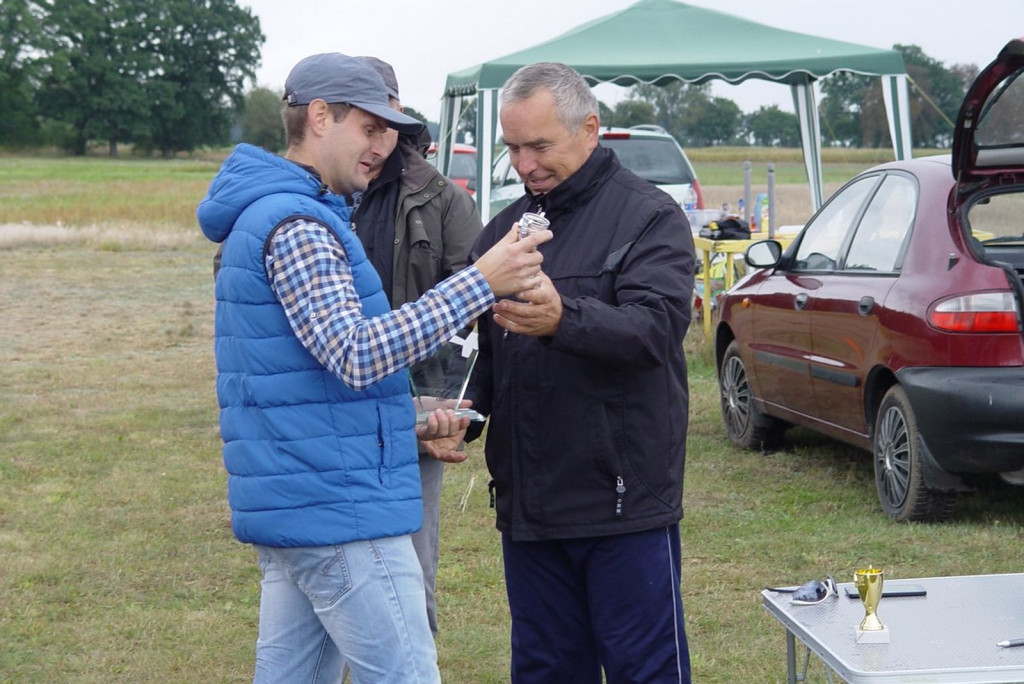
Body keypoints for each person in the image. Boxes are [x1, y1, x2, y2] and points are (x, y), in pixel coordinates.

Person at [196, 52, 550, 684]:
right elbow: (356, 355)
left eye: (391, 131)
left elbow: (300, 384)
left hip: (305, 506)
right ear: (320, 116)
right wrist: (481, 281)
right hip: (341, 516)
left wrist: (405, 419)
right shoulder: (299, 225)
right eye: (370, 128)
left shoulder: (281, 215)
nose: (383, 146)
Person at [465, 62, 695, 683]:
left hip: (622, 505)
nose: (524, 164)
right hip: (530, 509)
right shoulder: (501, 234)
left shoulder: (650, 219)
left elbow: (656, 329)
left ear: (589, 129)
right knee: (544, 671)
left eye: (539, 145)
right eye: (513, 147)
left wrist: (566, 319)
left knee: (644, 671)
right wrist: (461, 416)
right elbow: (484, 354)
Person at [350, 56, 483, 639]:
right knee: (337, 576)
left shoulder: (446, 200)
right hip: (335, 417)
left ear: (399, 116)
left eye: (383, 122)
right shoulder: (322, 194)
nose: (374, 139)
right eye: (363, 123)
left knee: (411, 574)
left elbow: (473, 316)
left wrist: (447, 409)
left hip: (416, 419)